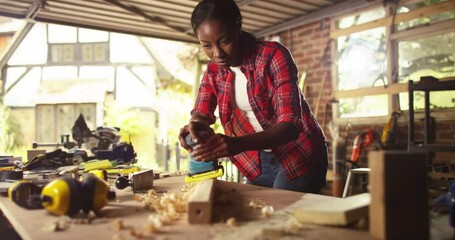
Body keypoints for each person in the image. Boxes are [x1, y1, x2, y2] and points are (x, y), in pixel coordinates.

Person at [178, 0, 328, 193]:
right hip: (258, 159)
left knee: (281, 217)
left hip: (298, 153)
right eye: (207, 45)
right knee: (253, 211)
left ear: (238, 26)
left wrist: (236, 144)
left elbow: (291, 126)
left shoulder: (272, 56)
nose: (217, 53)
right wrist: (194, 127)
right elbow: (201, 112)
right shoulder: (214, 71)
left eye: (224, 41)